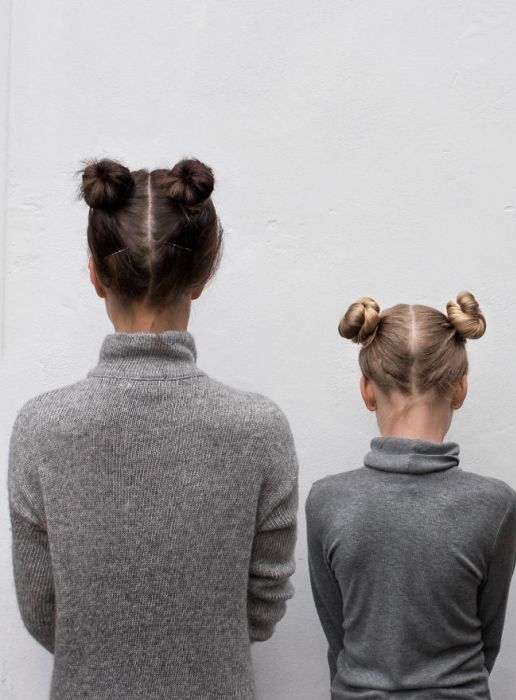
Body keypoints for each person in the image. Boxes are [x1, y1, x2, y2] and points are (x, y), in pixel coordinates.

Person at [8, 158, 298, 700]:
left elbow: (43, 609)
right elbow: (263, 602)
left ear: (95, 276)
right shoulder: (259, 427)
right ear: (202, 275)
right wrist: (201, 646)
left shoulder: (41, 428)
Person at [306, 292, 516, 700]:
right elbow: (488, 638)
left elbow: (339, 638)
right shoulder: (495, 504)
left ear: (367, 390)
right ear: (460, 389)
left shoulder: (327, 500)